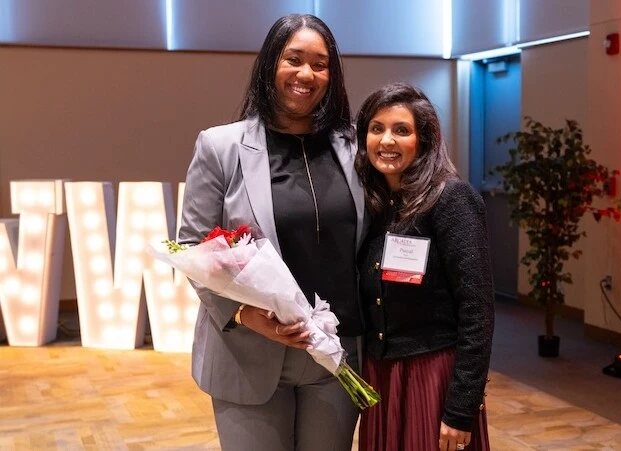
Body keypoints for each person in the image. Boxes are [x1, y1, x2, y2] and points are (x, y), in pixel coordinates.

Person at [178, 14, 367, 451]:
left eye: (320, 64)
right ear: (270, 65)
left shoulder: (354, 147)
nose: (306, 74)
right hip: (247, 353)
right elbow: (192, 247)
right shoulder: (220, 146)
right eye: (294, 59)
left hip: (335, 358)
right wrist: (245, 315)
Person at [354, 82, 494, 451]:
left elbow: (477, 310)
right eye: (377, 128)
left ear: (424, 140)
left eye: (402, 130)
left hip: (432, 377)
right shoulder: (374, 205)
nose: (387, 141)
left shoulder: (450, 199)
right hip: (381, 376)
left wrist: (461, 407)